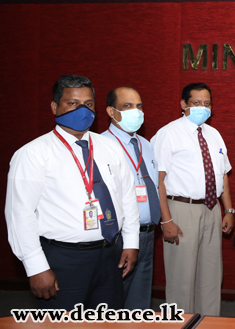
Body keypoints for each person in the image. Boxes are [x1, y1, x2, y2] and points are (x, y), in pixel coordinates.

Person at [5, 74, 140, 310]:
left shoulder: (109, 147)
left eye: (88, 104)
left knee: (108, 325)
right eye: (73, 103)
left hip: (111, 256)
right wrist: (36, 267)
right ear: (55, 106)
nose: (82, 110)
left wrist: (131, 242)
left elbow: (127, 197)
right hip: (63, 260)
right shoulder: (33, 154)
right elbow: (20, 214)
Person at [151, 82, 234, 316]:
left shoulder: (214, 134)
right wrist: (166, 220)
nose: (202, 108)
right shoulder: (168, 134)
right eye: (196, 103)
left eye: (207, 103)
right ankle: (180, 323)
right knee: (181, 278)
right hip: (181, 210)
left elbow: (223, 175)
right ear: (183, 104)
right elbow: (157, 181)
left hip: (212, 209)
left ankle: (209, 322)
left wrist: (229, 210)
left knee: (210, 275)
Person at [103, 87, 160, 310]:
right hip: (119, 237)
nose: (136, 112)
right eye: (127, 106)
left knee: (140, 303)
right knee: (115, 300)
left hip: (147, 234)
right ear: (111, 111)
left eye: (139, 106)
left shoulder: (146, 145)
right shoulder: (102, 145)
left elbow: (155, 185)